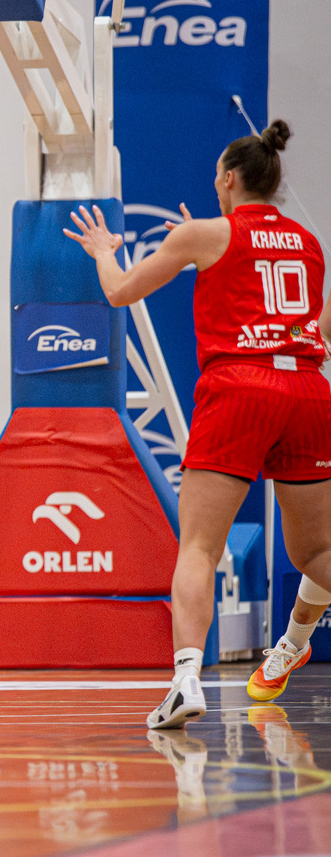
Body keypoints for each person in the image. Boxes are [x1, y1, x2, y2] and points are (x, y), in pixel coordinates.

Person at [65, 120, 331, 730]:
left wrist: (105, 252)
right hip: (307, 388)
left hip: (241, 389)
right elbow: (291, 312)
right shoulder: (308, 243)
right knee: (317, 550)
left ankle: (186, 680)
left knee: (199, 547)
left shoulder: (206, 233)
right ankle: (289, 645)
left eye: (217, 176)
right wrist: (196, 243)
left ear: (229, 179)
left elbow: (121, 291)